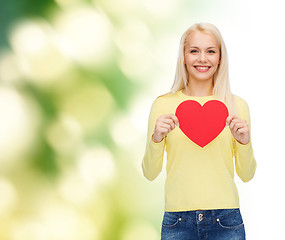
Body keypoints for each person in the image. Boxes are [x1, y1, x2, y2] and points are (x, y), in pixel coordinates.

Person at [141, 22, 257, 240]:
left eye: (210, 51)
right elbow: (149, 173)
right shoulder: (162, 105)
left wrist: (244, 142)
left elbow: (247, 174)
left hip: (226, 221)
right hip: (177, 222)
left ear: (220, 58)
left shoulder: (237, 105)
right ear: (183, 56)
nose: (202, 58)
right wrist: (156, 139)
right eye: (194, 51)